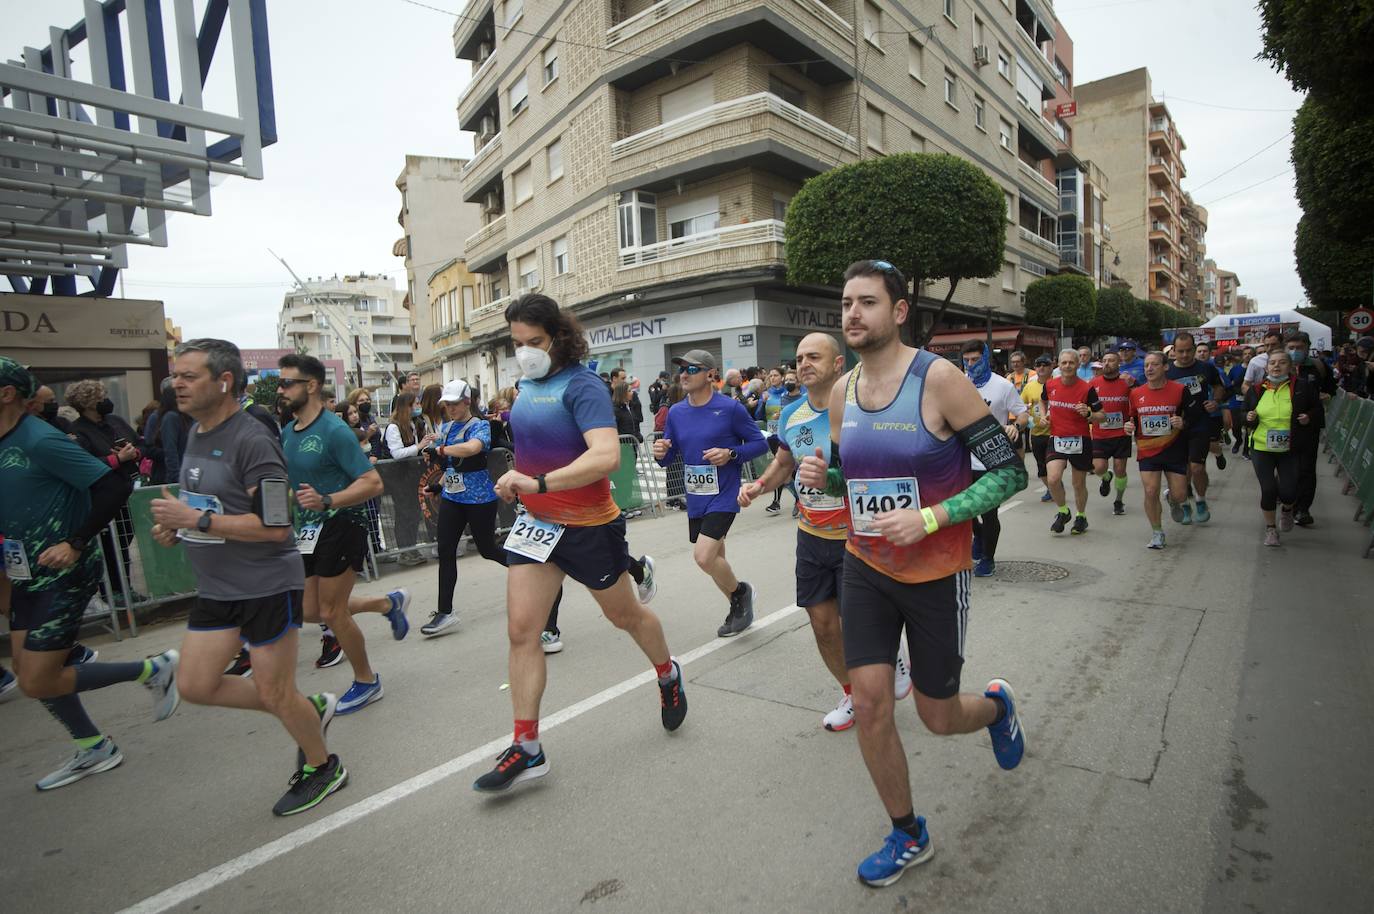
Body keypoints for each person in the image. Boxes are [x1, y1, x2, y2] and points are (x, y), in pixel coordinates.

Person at [795, 260, 1028, 888]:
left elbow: (1009, 474)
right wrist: (830, 479)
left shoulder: (940, 380)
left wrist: (931, 518)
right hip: (865, 564)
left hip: (935, 572)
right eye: (846, 302)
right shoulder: (843, 392)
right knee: (870, 703)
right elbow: (857, 479)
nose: (852, 314)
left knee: (937, 715)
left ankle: (998, 707)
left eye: (867, 302)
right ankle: (908, 833)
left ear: (898, 312)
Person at [475, 294, 685, 793]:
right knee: (522, 632)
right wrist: (517, 478)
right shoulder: (527, 385)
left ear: (559, 337)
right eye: (517, 342)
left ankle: (667, 672)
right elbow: (534, 451)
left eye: (534, 341)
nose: (524, 351)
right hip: (537, 526)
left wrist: (541, 482)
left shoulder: (583, 384)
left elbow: (608, 456)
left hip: (589, 525)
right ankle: (527, 747)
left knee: (625, 617)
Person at [147, 339, 348, 815]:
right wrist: (177, 523)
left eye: (189, 375)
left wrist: (195, 522)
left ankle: (323, 767)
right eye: (176, 375)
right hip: (217, 588)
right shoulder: (194, 430)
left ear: (225, 381)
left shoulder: (253, 440)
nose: (177, 383)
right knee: (195, 685)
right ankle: (307, 710)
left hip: (266, 586)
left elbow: (276, 525)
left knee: (274, 690)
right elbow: (207, 503)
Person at [0, 357, 178, 792]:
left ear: (7, 393)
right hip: (26, 572)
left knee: (36, 679)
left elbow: (113, 485)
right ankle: (95, 747)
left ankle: (153, 669)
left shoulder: (40, 439)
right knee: (29, 674)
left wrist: (75, 542)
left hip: (65, 570)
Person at [738, 332, 912, 731]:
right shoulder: (791, 414)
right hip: (811, 534)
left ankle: (892, 653)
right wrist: (758, 486)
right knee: (822, 623)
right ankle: (852, 693)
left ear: (838, 364)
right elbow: (784, 463)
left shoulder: (861, 407)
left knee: (859, 620)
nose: (803, 364)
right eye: (799, 357)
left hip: (859, 536)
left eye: (813, 356)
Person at [278, 354, 410, 714]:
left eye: (287, 382)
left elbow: (372, 483)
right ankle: (386, 603)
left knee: (333, 612)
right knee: (309, 609)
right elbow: (292, 488)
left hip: (342, 523)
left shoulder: (334, 431)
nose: (280, 389)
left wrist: (327, 500)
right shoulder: (288, 432)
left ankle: (367, 680)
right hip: (308, 530)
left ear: (311, 386)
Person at [654, 349, 768, 638]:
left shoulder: (729, 408)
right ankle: (737, 609)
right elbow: (669, 457)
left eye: (691, 370)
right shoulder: (677, 412)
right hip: (697, 496)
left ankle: (741, 592)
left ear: (710, 374)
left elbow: (759, 444)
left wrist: (730, 453)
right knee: (717, 558)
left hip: (724, 493)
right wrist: (660, 453)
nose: (684, 375)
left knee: (704, 557)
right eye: (681, 370)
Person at [65, 380, 143, 598]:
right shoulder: (78, 432)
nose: (106, 402)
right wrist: (117, 459)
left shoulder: (114, 422)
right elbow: (83, 465)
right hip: (103, 498)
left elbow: (139, 444)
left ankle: (125, 588)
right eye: (100, 399)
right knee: (110, 546)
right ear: (88, 404)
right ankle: (112, 591)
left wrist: (134, 453)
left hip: (128, 491)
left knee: (125, 543)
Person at [960, 341, 1027, 576]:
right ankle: (978, 536)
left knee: (989, 512)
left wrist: (1015, 426)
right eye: (966, 360)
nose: (970, 365)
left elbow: (1023, 412)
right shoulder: (959, 384)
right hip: (962, 459)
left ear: (986, 357)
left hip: (993, 459)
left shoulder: (1002, 386)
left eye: (975, 359)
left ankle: (988, 558)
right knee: (964, 510)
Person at [1243, 351, 1319, 546]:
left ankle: (1287, 509)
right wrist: (1248, 418)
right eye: (1273, 363)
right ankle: (1271, 530)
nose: (1276, 366)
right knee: (1268, 490)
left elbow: (1317, 409)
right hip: (1261, 447)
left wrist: (1308, 417)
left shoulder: (1302, 387)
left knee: (1289, 491)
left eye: (1282, 363)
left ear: (1290, 366)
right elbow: (1243, 413)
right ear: (1266, 367)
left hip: (1290, 448)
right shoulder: (1257, 389)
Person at [1127, 351, 1200, 550]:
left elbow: (1195, 416)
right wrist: (1129, 427)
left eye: (1155, 365)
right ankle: (1157, 532)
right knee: (1150, 491)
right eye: (1146, 366)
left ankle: (1173, 500)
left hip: (1174, 448)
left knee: (1181, 494)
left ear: (1165, 367)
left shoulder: (1180, 390)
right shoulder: (1136, 393)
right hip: (1147, 450)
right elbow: (1131, 418)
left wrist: (1183, 422)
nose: (1149, 369)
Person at [1166, 332, 1227, 525]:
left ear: (1194, 349)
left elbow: (1219, 387)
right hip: (1175, 427)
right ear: (1173, 351)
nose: (1184, 355)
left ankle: (1201, 501)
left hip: (1199, 423)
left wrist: (1216, 401)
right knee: (1182, 470)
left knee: (1197, 468)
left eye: (1188, 351)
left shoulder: (1206, 368)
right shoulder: (1167, 371)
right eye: (1180, 351)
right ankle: (1185, 505)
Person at [1043, 349, 1104, 535]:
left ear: (1078, 365)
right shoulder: (1050, 385)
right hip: (1057, 438)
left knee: (1078, 484)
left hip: (1080, 440)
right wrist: (1045, 414)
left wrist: (1089, 414)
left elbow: (1102, 416)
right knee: (1053, 479)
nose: (1067, 366)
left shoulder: (1087, 389)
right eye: (1064, 363)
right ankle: (1063, 511)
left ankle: (1081, 516)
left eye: (1071, 363)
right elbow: (1043, 400)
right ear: (1058, 365)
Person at [1282, 330, 1335, 527]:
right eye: (1291, 348)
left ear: (1307, 348)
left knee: (1306, 469)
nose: (1295, 351)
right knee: (1285, 468)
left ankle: (1302, 509)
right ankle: (1287, 500)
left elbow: (1331, 390)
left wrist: (1324, 398)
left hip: (1308, 428)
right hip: (1281, 428)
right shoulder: (1277, 367)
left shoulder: (1318, 367)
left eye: (1299, 348)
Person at [381, 391, 434, 568]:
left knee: (413, 512)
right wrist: (418, 446)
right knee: (404, 512)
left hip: (412, 475)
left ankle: (411, 548)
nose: (418, 407)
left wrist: (426, 447)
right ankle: (404, 551)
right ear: (406, 407)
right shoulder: (393, 427)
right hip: (398, 477)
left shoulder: (414, 424)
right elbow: (396, 453)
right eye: (414, 404)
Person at [1088, 349, 1134, 517]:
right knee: (1098, 467)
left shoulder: (1127, 381)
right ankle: (1106, 477)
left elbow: (1138, 399)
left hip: (1121, 433)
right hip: (1100, 434)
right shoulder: (1094, 382)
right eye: (1105, 360)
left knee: (1120, 469)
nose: (1107, 363)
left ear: (1118, 364)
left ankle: (1119, 500)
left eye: (1111, 360)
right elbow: (1085, 403)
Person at [765, 367, 805, 517]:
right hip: (782, 438)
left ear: (798, 383)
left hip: (798, 439)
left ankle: (802, 502)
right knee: (784, 474)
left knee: (795, 473)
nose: (788, 382)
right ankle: (798, 499)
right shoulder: (782, 397)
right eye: (786, 380)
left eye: (791, 380)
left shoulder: (804, 398)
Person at [1021, 355, 1055, 502]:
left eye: (1045, 365)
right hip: (1036, 432)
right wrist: (1031, 423)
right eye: (1038, 365)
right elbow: (1021, 408)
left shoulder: (1058, 383)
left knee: (1053, 466)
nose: (1041, 368)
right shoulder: (1030, 387)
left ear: (1051, 367)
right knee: (1041, 469)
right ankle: (1051, 488)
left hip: (1055, 433)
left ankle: (1055, 485)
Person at [1194, 342, 1230, 471]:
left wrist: (1217, 402)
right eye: (1199, 351)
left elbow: (1227, 390)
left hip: (1213, 414)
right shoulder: (1188, 370)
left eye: (1205, 351)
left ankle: (1218, 453)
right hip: (1194, 414)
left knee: (1210, 443)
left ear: (1210, 354)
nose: (1202, 353)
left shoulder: (1217, 371)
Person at [1242, 330, 1284, 395]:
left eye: (1273, 345)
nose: (1270, 348)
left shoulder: (1289, 359)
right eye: (1267, 345)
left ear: (1281, 344)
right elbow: (1245, 385)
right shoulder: (1255, 361)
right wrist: (1255, 397)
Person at [1224, 349, 1249, 458]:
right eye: (1245, 354)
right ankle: (1238, 440)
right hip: (1236, 401)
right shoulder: (1235, 369)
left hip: (1250, 401)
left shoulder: (1257, 368)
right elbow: (1228, 383)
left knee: (1249, 427)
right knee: (1236, 426)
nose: (1247, 356)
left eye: (1250, 354)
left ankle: (1246, 450)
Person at [612, 381, 642, 449]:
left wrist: (638, 436)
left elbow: (635, 423)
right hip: (623, 446)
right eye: (629, 391)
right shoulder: (615, 410)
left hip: (633, 445)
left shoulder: (631, 407)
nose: (632, 393)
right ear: (622, 393)